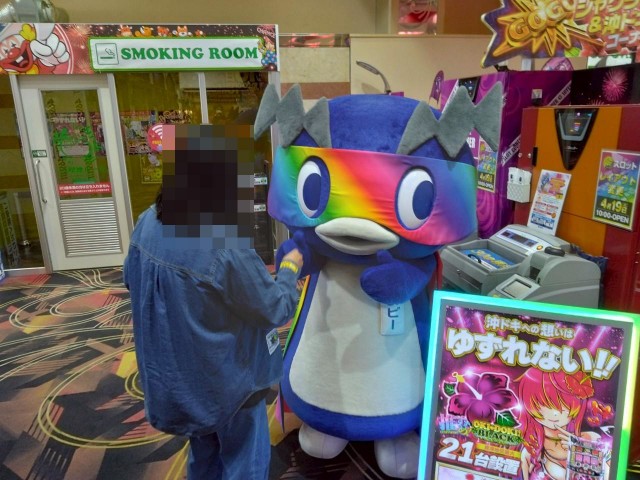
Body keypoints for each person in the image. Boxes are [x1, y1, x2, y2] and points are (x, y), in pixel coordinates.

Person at [123, 188, 305, 480]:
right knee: (244, 459)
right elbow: (274, 309)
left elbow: (131, 280)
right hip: (230, 383)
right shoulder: (224, 243)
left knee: (203, 450)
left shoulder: (147, 222)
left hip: (180, 378)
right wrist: (289, 269)